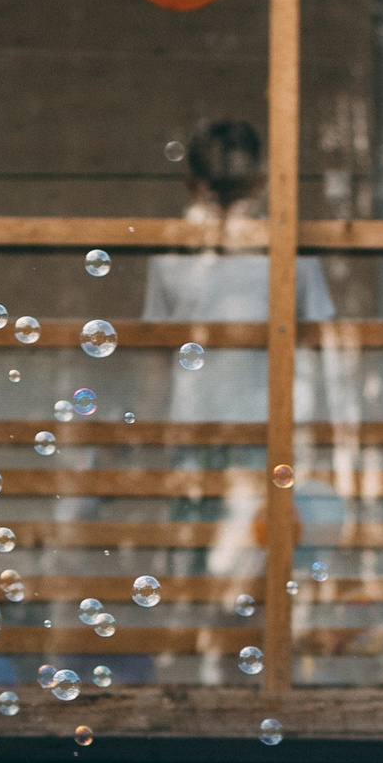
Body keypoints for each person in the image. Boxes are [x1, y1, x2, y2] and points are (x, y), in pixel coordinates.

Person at [140, 120, 335, 681]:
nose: (226, 205)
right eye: (218, 191)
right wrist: (144, 437)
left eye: (235, 191)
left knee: (254, 568)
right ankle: (214, 683)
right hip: (206, 438)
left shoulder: (288, 249)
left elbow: (320, 346)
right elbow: (158, 352)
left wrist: (325, 439)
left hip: (261, 437)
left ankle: (253, 684)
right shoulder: (176, 251)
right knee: (207, 567)